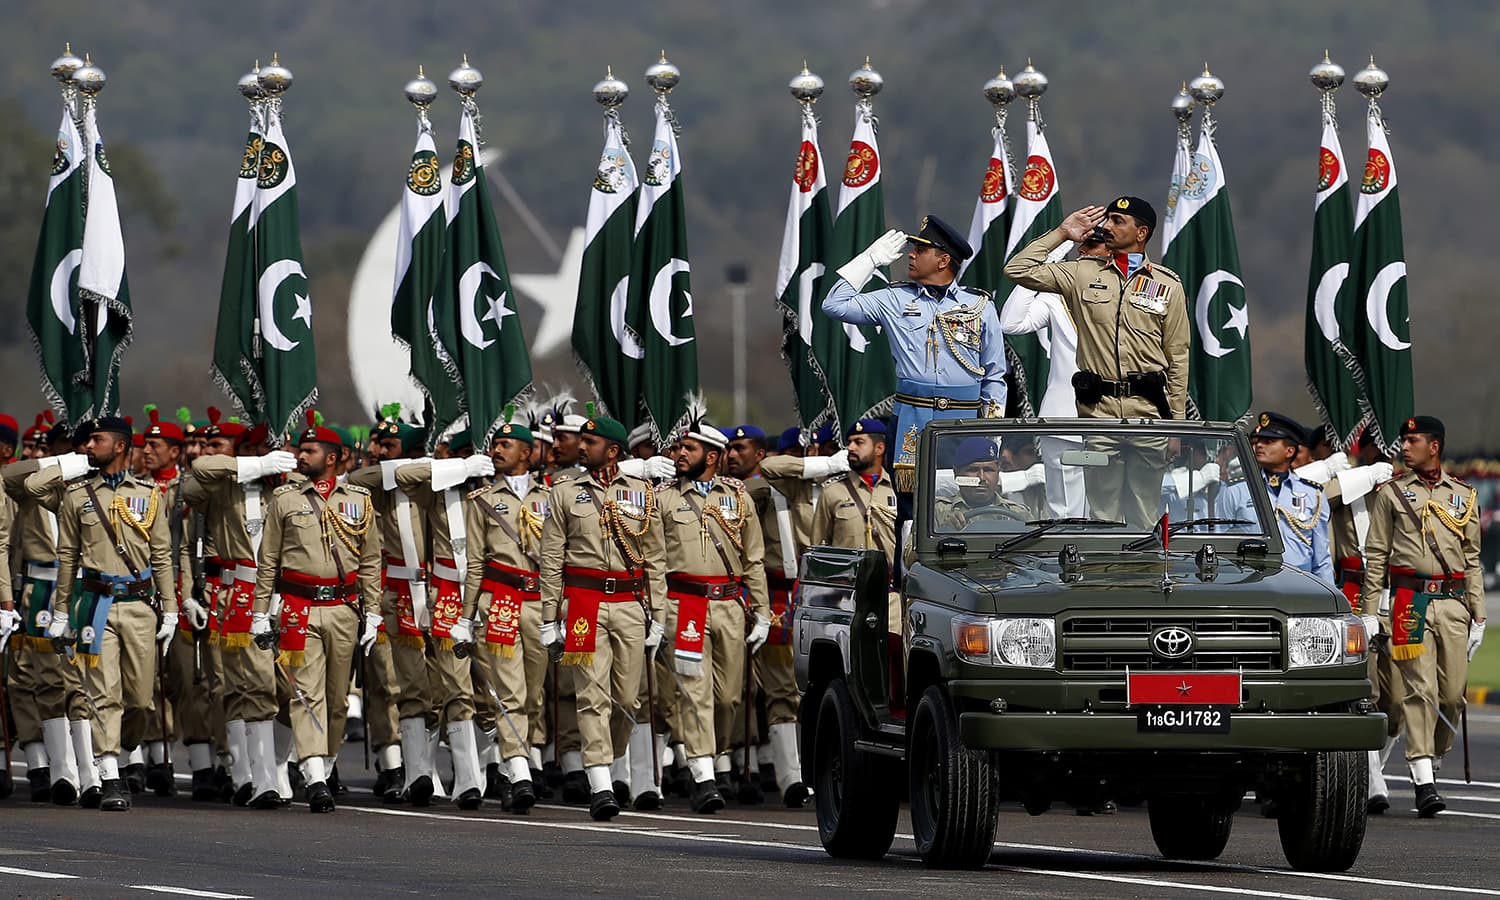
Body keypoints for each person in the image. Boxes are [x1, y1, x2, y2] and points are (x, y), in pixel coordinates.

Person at [1004, 197, 1190, 528]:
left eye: (1118, 221)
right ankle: (1105, 579)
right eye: (1108, 220)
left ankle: (1141, 577)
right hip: (1099, 413)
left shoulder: (1167, 284)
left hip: (1148, 414)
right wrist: (1062, 234)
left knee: (1144, 513)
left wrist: (1175, 425)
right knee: (1102, 514)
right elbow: (1017, 269)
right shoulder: (1083, 272)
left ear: (1141, 232)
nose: (1107, 226)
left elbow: (1178, 357)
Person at [41, 416, 178, 812]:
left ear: (119, 446)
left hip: (139, 605)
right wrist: (63, 611)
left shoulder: (151, 494)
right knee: (104, 694)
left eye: (95, 440)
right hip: (96, 604)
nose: (87, 446)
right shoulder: (76, 495)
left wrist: (169, 609)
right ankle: (111, 775)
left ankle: (123, 744)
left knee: (141, 701)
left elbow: (163, 557)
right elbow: (67, 556)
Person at [250, 412, 381, 814]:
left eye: (309, 450)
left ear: (334, 457)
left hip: (343, 608)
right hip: (298, 608)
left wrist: (373, 612)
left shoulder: (359, 502)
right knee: (305, 693)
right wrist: (259, 612)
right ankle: (314, 777)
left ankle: (324, 764)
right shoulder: (284, 499)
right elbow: (268, 559)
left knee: (338, 698)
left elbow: (372, 559)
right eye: (300, 448)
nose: (300, 455)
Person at [538, 415, 667, 822]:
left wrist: (658, 617)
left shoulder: (643, 494)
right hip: (583, 603)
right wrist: (547, 615)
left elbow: (657, 561)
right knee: (591, 695)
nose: (581, 446)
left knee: (627, 700)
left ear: (612, 450)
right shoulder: (564, 492)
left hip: (630, 605)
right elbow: (551, 560)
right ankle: (600, 784)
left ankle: (607, 759)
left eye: (589, 441)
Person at [823, 215, 1006, 492]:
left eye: (921, 250)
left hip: (965, 420)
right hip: (912, 417)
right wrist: (869, 260)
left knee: (966, 496)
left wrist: (993, 432)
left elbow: (994, 374)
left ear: (943, 260)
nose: (911, 255)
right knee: (911, 504)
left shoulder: (979, 305)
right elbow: (834, 305)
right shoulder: (894, 298)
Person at [1362, 416, 1485, 818]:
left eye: (1413, 440)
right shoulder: (1391, 493)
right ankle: (1422, 779)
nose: (1404, 446)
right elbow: (1376, 554)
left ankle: (1433, 756)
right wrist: (1369, 611)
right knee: (1419, 692)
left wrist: (1479, 615)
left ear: (1434, 446)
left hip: (1452, 604)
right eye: (1404, 439)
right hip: (1408, 603)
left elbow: (1472, 560)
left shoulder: (1463, 495)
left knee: (1452, 697)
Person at [183, 407, 297, 809]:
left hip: (288, 595)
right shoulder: (221, 485)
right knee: (246, 686)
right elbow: (197, 471)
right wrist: (253, 464)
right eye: (260, 448)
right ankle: (252, 776)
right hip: (238, 597)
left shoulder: (292, 487)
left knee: (291, 688)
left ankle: (277, 766)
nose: (269, 453)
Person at [657, 416, 770, 814]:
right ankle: (702, 774)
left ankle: (714, 752)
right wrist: (656, 615)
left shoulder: (738, 497)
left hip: (728, 605)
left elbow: (753, 558)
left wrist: (764, 612)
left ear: (712, 455)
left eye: (688, 448)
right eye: (678, 447)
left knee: (729, 697)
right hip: (683, 605)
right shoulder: (664, 497)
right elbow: (653, 562)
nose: (679, 454)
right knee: (695, 692)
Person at [1294, 427, 1397, 813]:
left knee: (1398, 702)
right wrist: (1354, 475)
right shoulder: (1341, 485)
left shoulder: (1399, 488)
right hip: (1355, 593)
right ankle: (1372, 780)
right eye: (1376, 446)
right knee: (1363, 692)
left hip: (1397, 596)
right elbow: (1308, 493)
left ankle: (1376, 767)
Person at [3, 421, 92, 805]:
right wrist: (61, 464)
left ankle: (92, 770)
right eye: (61, 447)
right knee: (32, 680)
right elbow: (7, 475)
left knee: (81, 678)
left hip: (83, 587)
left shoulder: (98, 485)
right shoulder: (34, 482)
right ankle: (52, 768)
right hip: (40, 588)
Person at [725, 424, 810, 807]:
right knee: (776, 687)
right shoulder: (756, 487)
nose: (731, 455)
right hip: (774, 592)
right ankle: (790, 777)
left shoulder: (829, 487)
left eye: (739, 448)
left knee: (809, 686)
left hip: (813, 593)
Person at [999, 235, 1110, 516]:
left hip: (1114, 417)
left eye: (1094, 247)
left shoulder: (1128, 294)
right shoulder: (1057, 297)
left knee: (1113, 513)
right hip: (1064, 418)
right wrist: (1047, 263)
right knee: (1064, 512)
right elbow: (1010, 322)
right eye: (1081, 248)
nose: (1083, 253)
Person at [1217, 413, 1332, 583]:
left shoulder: (1312, 494)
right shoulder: (1236, 490)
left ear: (1289, 451)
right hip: (1250, 581)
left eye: (1269, 442)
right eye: (1257, 441)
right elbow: (1220, 543)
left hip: (1300, 583)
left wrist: (1328, 597)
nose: (1259, 446)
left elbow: (1322, 557)